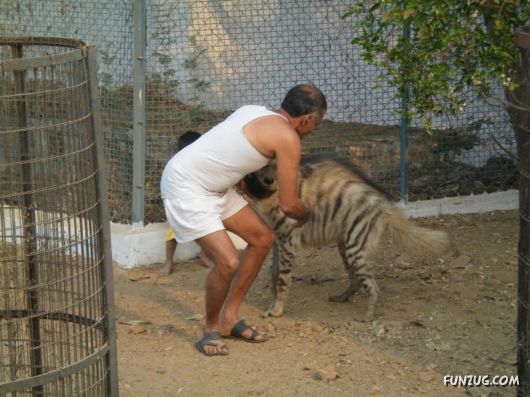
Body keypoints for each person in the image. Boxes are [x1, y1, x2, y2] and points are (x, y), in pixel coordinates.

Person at [160, 84, 327, 356]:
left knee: (262, 239)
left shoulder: (253, 110)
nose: (314, 129)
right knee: (227, 262)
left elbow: (225, 149)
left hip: (215, 185)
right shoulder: (288, 138)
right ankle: (210, 330)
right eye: (316, 124)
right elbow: (288, 204)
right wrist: (307, 213)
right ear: (307, 118)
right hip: (187, 186)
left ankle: (229, 318)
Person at [160, 131, 215, 276]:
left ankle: (204, 256)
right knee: (173, 232)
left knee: (210, 228)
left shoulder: (204, 161)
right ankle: (168, 262)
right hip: (179, 202)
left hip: (199, 200)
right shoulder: (175, 164)